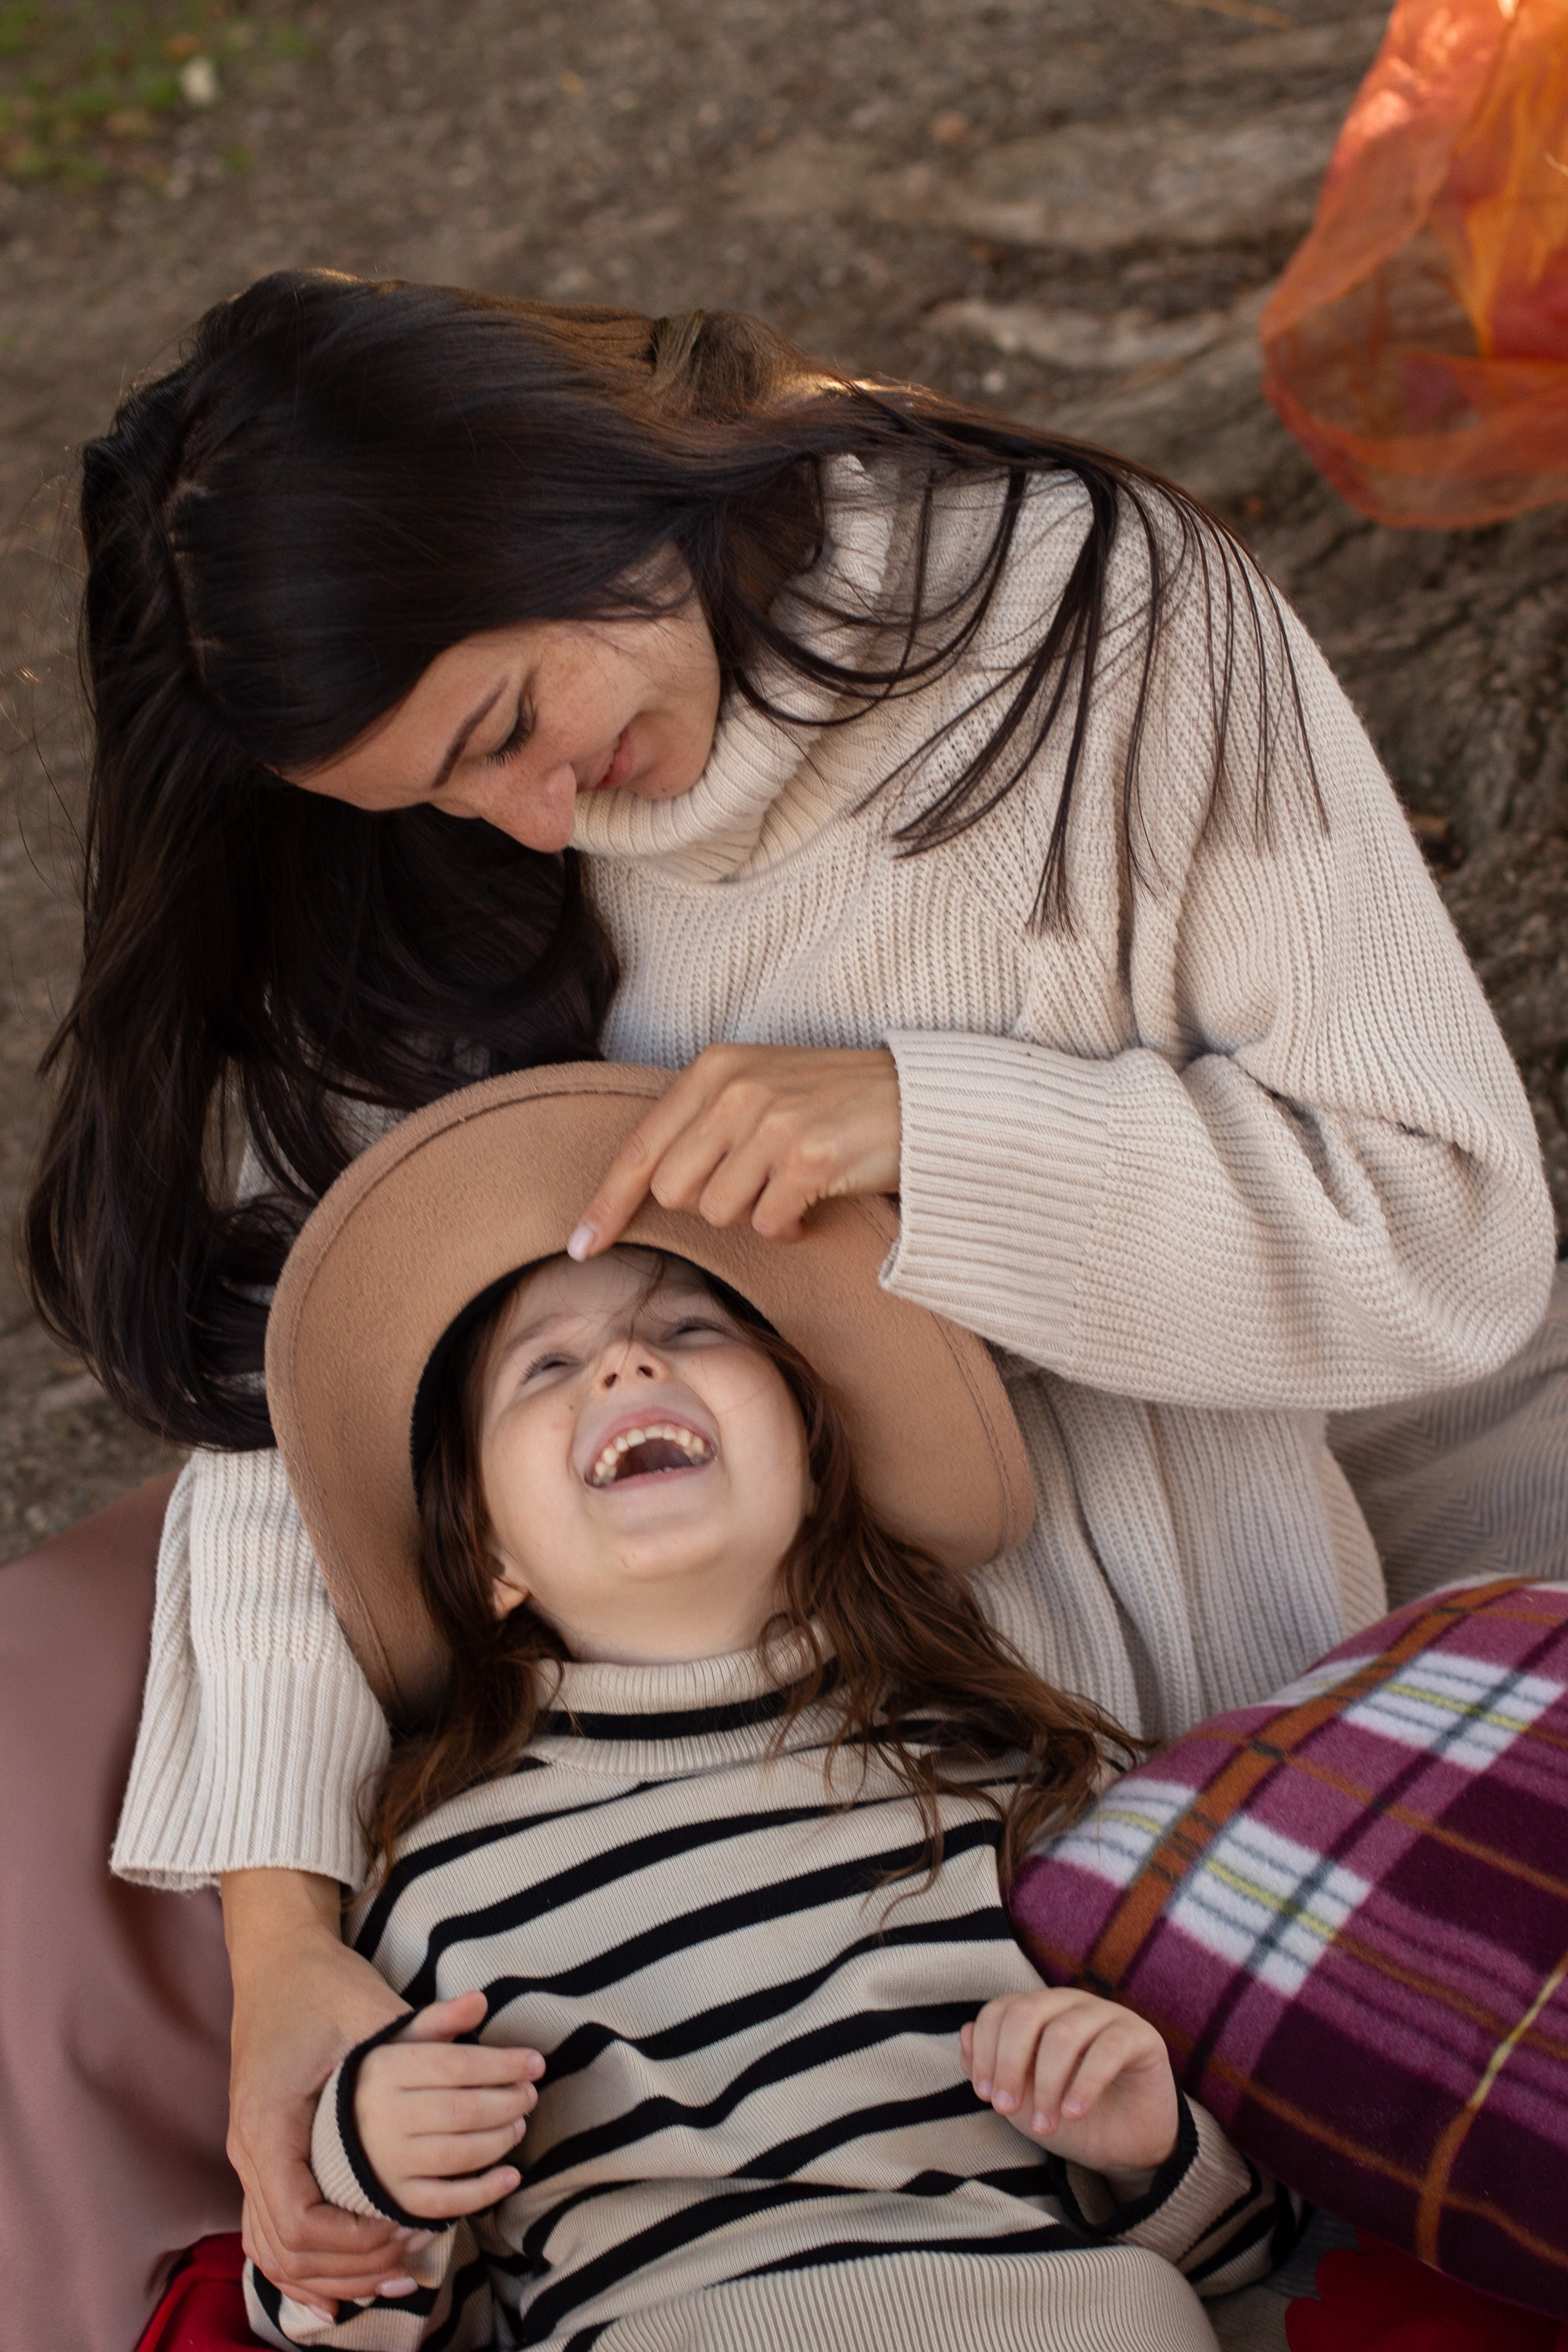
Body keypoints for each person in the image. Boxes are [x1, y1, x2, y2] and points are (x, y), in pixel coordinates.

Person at [10, 270, 1560, 2340]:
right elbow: (336, 1350)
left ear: (566, 501)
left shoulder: (1090, 624)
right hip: (665, 1691)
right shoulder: (451, 856)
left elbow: (1448, 1237)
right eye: (443, 797)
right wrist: (285, 1949)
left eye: (504, 729)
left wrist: (927, 1129)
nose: (534, 824)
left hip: (1144, 1659)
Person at [244, 1066, 1297, 2352]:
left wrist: (1147, 2139)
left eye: (692, 1330)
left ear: (811, 1458)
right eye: (547, 1366)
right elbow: (358, 2326)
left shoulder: (1012, 1783)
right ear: (489, 1559)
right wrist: (368, 2171)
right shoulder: (437, 1888)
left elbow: (1256, 2245)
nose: (626, 1360)